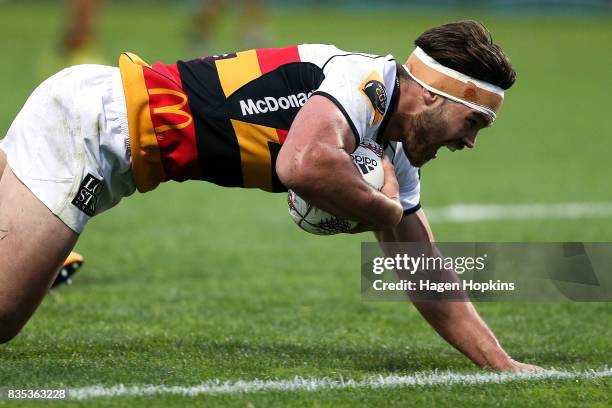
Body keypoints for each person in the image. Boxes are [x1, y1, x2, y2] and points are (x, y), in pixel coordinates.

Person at [0, 20, 542, 372]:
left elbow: (423, 269)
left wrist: (502, 363)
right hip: (92, 131)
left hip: (99, 113)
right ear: (429, 94)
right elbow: (301, 164)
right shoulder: (362, 83)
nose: (469, 141)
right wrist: (383, 206)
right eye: (472, 122)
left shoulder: (390, 148)